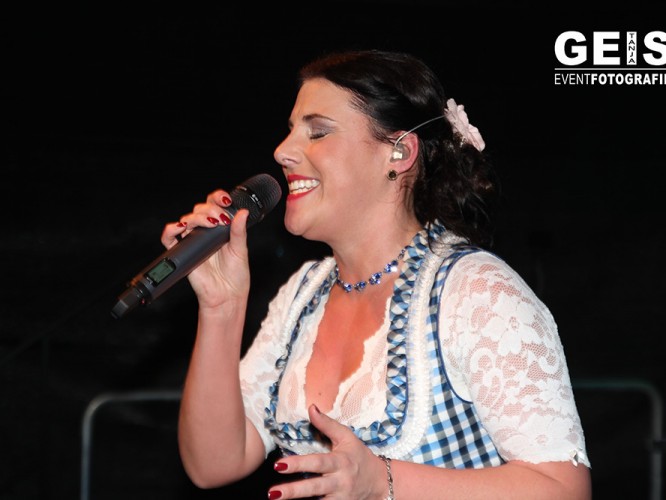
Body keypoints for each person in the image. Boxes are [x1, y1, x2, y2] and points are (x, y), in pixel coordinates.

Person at [161, 49, 592, 499]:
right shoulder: (303, 295)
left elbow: (564, 489)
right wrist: (222, 307)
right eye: (290, 131)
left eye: (318, 132)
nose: (282, 152)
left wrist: (382, 481)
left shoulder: (476, 291)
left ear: (399, 151)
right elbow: (214, 463)